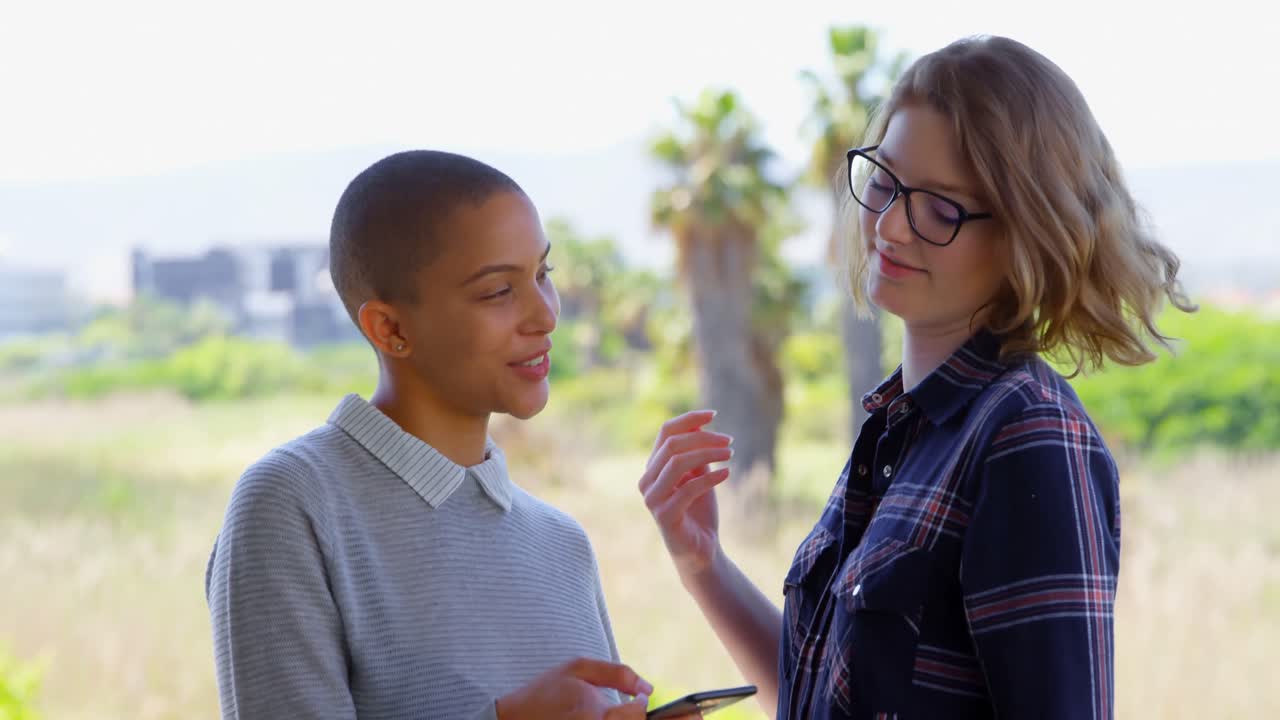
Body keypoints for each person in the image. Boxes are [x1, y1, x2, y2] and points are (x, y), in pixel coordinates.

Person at [639, 35, 1194, 719]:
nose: (891, 226)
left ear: (1025, 233)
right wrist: (705, 567)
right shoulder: (902, 428)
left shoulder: (1028, 433)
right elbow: (815, 701)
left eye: (941, 209)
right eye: (885, 181)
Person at [206, 150, 660, 720]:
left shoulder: (563, 545)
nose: (544, 314)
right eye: (499, 291)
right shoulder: (293, 504)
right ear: (389, 328)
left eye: (543, 274)